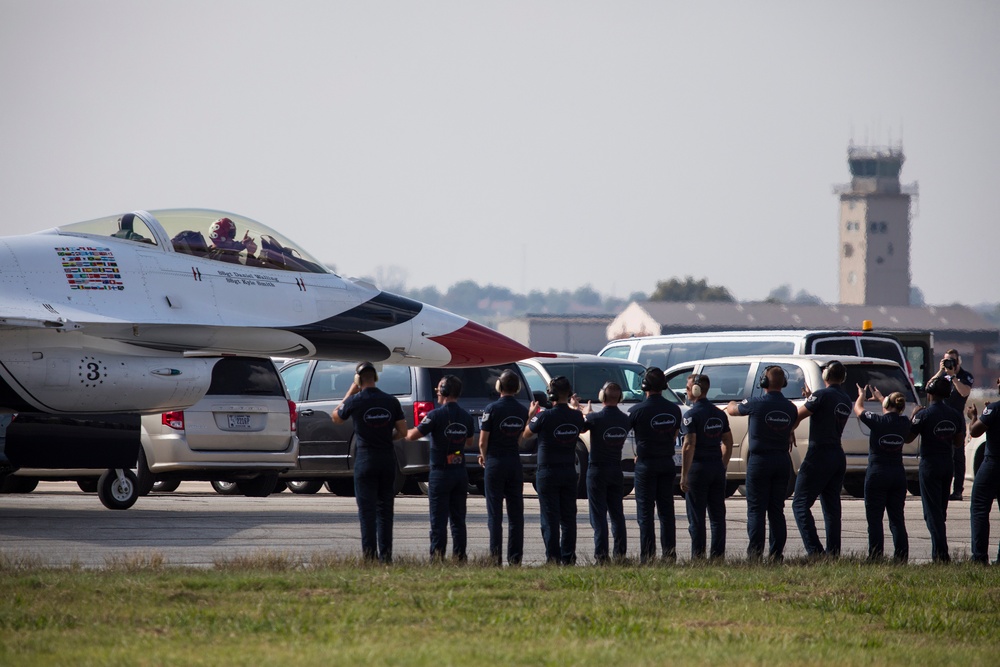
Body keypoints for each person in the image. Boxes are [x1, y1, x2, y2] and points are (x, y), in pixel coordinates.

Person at [331, 361, 406, 564]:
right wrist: (386, 437)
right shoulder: (391, 401)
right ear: (376, 377)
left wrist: (350, 392)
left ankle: (369, 557)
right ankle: (386, 557)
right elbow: (403, 432)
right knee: (385, 509)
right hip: (386, 459)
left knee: (367, 511)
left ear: (358, 379)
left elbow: (336, 417)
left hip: (365, 459)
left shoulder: (356, 400)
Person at [725, 365, 797, 562]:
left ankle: (755, 555)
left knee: (756, 509)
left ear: (763, 382)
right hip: (782, 460)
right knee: (776, 509)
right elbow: (791, 423)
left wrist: (732, 401)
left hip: (760, 461)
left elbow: (733, 410)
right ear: (783, 383)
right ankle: (776, 555)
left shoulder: (755, 403)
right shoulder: (790, 407)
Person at [407, 375, 474, 561]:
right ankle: (460, 557)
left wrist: (400, 432)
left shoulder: (435, 415)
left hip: (440, 473)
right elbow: (469, 442)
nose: (437, 392)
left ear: (444, 391)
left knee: (438, 520)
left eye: (438, 389)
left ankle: (437, 558)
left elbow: (414, 436)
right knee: (458, 520)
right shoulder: (466, 417)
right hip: (460, 473)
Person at [523, 376, 588, 565]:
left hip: (548, 471)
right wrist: (576, 408)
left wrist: (530, 414)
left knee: (549, 517)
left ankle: (552, 558)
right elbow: (583, 428)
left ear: (550, 393)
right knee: (568, 518)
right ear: (569, 394)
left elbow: (526, 434)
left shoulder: (543, 416)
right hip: (569, 471)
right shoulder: (576, 416)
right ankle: (568, 558)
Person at [792, 360, 852, 558]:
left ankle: (815, 551)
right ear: (842, 378)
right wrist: (812, 398)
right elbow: (826, 411)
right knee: (832, 507)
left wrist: (789, 429)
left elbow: (798, 415)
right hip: (837, 454)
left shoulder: (821, 395)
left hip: (819, 454)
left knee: (800, 504)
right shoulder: (845, 398)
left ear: (825, 376)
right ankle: (833, 553)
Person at [905, 376, 966, 563]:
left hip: (930, 465)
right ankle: (938, 553)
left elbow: (907, 438)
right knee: (941, 510)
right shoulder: (956, 414)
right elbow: (958, 441)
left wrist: (913, 416)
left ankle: (942, 555)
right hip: (947, 465)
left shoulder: (923, 414)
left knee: (931, 513)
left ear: (930, 394)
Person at [628, 367, 682, 563]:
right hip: (667, 463)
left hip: (646, 465)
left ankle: (648, 557)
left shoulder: (636, 411)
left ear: (644, 386)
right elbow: (675, 434)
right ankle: (669, 555)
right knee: (667, 512)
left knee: (645, 513)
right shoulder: (674, 409)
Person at [853, 386, 911, 562]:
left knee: (875, 519)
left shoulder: (877, 421)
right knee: (897, 519)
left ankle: (876, 556)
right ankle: (901, 557)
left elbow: (858, 410)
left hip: (878, 473)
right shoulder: (905, 422)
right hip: (898, 474)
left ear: (886, 404)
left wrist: (861, 396)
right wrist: (882, 399)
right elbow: (892, 411)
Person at [680, 373, 733, 560]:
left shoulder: (690, 415)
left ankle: (698, 557)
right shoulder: (720, 414)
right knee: (718, 517)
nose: (686, 392)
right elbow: (728, 441)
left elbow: (689, 444)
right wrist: (722, 466)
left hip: (698, 469)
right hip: (716, 469)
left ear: (696, 389)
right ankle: (717, 557)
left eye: (687, 388)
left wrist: (684, 475)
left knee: (697, 517)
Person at [478, 370, 529, 566]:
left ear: (499, 386)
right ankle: (515, 559)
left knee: (495, 513)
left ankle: (495, 558)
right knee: (516, 514)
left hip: (495, 462)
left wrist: (483, 456)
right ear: (516, 388)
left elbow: (483, 441)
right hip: (513, 463)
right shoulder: (522, 410)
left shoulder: (491, 409)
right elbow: (521, 440)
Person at [581, 382, 630, 563]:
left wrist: (585, 412)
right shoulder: (625, 419)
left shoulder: (595, 419)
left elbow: (580, 428)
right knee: (617, 514)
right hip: (616, 470)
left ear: (602, 397)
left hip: (597, 470)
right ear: (620, 398)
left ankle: (601, 556)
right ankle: (620, 554)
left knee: (598, 515)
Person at [930, 350, 974, 500]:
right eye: (947, 360)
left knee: (958, 456)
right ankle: (943, 488)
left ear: (958, 362)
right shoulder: (942, 375)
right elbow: (929, 387)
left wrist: (953, 376)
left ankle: (958, 491)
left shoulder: (964, 376)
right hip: (942, 416)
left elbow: (964, 392)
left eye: (952, 361)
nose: (950, 363)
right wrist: (940, 371)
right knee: (942, 453)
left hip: (956, 417)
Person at [966, 377, 1000, 565]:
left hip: (993, 462)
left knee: (979, 508)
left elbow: (975, 432)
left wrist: (974, 416)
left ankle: (979, 557)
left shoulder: (994, 408)